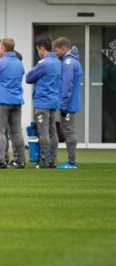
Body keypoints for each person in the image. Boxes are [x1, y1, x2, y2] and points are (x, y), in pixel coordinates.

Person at [0, 38, 26, 169]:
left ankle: (1, 161)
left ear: (3, 48)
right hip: (17, 101)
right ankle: (20, 161)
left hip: (2, 101)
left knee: (0, 132)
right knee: (17, 132)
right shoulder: (19, 63)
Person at [25, 38, 61, 168]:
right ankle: (53, 160)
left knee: (43, 132)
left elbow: (29, 78)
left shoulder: (43, 63)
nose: (38, 53)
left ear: (41, 48)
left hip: (43, 102)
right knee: (53, 132)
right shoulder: (57, 62)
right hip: (53, 101)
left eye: (38, 50)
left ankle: (44, 160)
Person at [53, 37, 83, 169]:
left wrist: (63, 105)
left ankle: (71, 162)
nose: (55, 53)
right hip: (70, 103)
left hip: (68, 105)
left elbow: (67, 86)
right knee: (68, 131)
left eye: (56, 51)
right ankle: (71, 161)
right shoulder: (72, 61)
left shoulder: (68, 63)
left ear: (64, 49)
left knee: (69, 132)